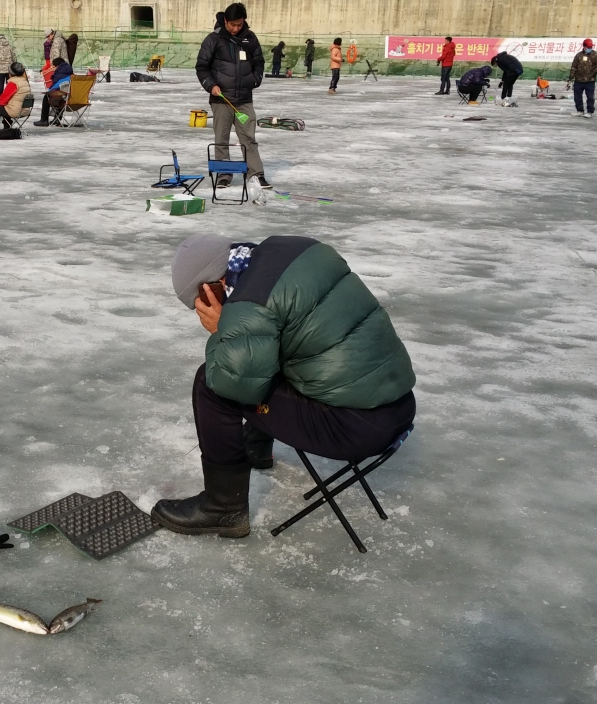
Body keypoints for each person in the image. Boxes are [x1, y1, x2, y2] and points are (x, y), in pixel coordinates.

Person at [151, 235, 416, 538]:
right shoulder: (290, 251)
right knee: (265, 355)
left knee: (210, 383)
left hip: (353, 429)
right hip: (396, 406)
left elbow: (234, 383)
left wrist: (221, 329)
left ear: (212, 287)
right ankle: (256, 448)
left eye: (198, 302)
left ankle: (223, 509)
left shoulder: (248, 303)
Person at [195, 3, 269, 189]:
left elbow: (259, 62)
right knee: (221, 139)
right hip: (221, 100)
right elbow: (202, 67)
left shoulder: (250, 38)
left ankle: (256, 175)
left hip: (244, 99)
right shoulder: (213, 39)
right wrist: (210, 85)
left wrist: (255, 79)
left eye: (240, 24)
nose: (236, 28)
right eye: (233, 25)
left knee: (248, 138)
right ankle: (223, 175)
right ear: (225, 21)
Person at [0, 62, 30, 132]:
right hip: (25, 110)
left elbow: (3, 100)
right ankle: (7, 125)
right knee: (7, 106)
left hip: (15, 111)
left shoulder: (13, 83)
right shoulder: (25, 81)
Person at [32, 56, 72, 126]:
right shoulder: (69, 71)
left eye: (53, 67)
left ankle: (44, 120)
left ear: (57, 66)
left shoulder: (59, 73)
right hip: (72, 97)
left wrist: (49, 90)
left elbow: (56, 86)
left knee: (47, 96)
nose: (52, 69)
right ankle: (57, 119)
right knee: (62, 94)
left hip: (63, 98)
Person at [569, 39, 597, 118]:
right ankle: (579, 110)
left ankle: (590, 111)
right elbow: (574, 67)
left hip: (590, 81)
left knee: (590, 97)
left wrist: (592, 74)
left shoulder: (595, 55)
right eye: (588, 47)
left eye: (590, 47)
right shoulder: (578, 55)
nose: (589, 48)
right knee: (577, 97)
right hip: (578, 80)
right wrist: (570, 78)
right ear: (584, 46)